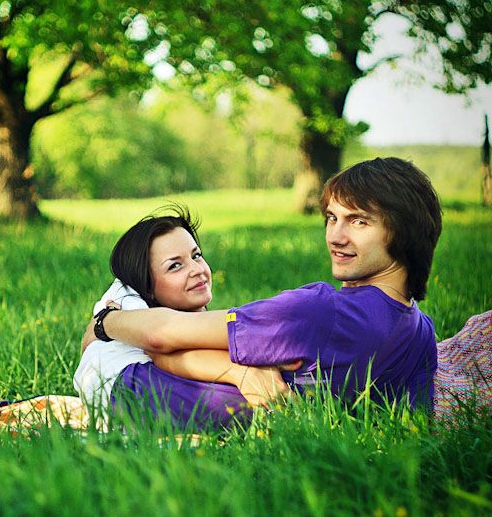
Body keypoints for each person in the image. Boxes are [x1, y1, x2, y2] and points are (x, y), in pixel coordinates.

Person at [82, 157, 444, 426]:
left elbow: (159, 340)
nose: (335, 237)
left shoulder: (319, 311)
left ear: (403, 231)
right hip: (173, 381)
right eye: (332, 218)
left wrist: (104, 321)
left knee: (113, 318)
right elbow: (409, 421)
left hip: (126, 388)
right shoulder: (420, 331)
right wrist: (235, 370)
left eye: (358, 221)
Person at [74, 205, 293, 430]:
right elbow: (156, 342)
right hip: (129, 384)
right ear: (146, 286)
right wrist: (243, 368)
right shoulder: (124, 297)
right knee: (245, 404)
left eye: (196, 255)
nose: (197, 269)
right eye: (175, 266)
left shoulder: (184, 306)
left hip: (144, 384)